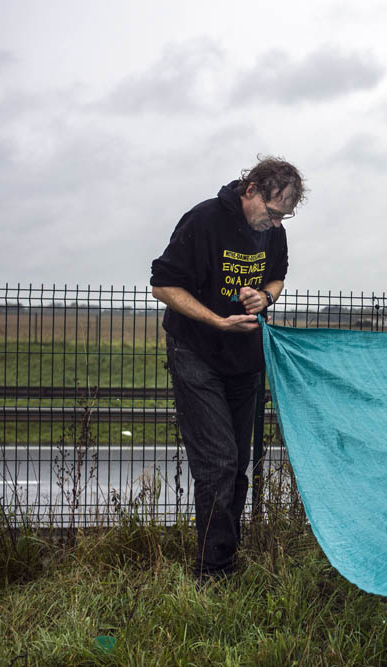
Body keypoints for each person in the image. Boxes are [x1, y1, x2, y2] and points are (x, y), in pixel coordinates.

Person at [150, 156, 305, 580]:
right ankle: (212, 574)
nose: (275, 224)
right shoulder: (203, 221)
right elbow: (162, 284)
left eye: (284, 217)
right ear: (250, 189)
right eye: (273, 213)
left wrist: (266, 298)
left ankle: (225, 558)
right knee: (218, 461)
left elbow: (278, 276)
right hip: (197, 352)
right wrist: (217, 320)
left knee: (236, 465)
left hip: (245, 360)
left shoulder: (274, 234)